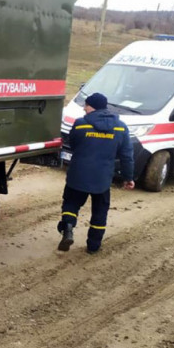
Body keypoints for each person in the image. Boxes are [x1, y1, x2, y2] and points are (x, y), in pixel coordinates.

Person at [58, 92, 135, 253]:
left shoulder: (80, 124)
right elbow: (127, 155)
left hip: (78, 176)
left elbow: (72, 144)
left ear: (91, 106)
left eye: (85, 106)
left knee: (71, 204)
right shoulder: (120, 127)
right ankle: (93, 246)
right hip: (102, 179)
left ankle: (68, 229)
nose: (84, 109)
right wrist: (128, 177)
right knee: (100, 212)